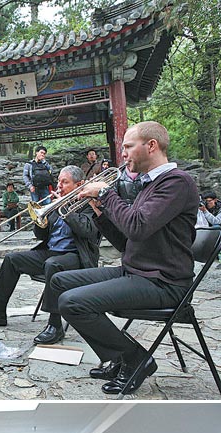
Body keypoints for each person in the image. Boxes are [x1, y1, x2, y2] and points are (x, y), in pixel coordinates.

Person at [51, 121, 200, 394]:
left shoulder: (177, 183)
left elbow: (137, 225)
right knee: (60, 282)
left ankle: (135, 359)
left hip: (164, 282)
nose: (124, 154)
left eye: (129, 147)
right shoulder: (149, 186)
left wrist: (106, 194)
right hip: (137, 271)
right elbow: (128, 241)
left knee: (72, 303)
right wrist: (101, 214)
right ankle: (118, 356)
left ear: (151, 145)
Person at [0, 165, 100, 344]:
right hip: (51, 252)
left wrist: (64, 209)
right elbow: (42, 236)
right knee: (12, 259)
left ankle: (55, 325)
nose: (59, 186)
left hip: (76, 256)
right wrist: (40, 221)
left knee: (52, 264)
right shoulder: (55, 203)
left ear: (79, 184)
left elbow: (87, 231)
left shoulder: (89, 204)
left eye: (65, 182)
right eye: (58, 181)